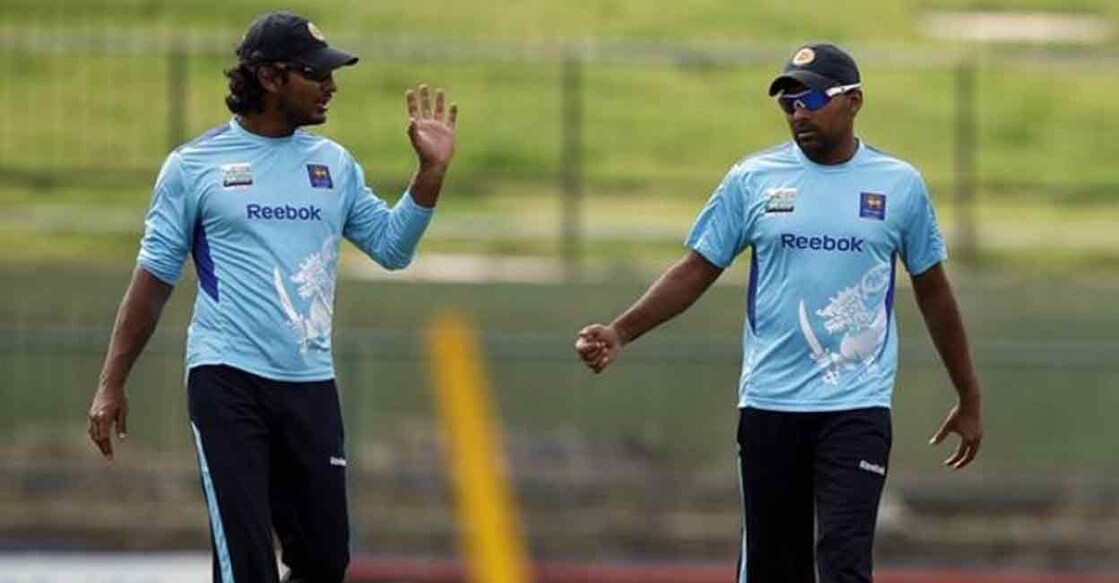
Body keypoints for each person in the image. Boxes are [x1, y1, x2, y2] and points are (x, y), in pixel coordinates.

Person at [574, 43, 982, 582]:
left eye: (810, 100)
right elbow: (696, 269)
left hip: (856, 405)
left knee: (844, 562)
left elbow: (934, 292)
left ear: (854, 101)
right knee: (773, 567)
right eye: (787, 103)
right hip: (771, 403)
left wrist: (968, 395)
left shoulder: (899, 185)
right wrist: (621, 331)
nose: (797, 113)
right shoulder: (754, 179)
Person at [86, 11, 458, 583]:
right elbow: (153, 279)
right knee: (247, 564)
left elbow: (392, 248)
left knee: (325, 561)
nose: (330, 85)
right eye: (315, 73)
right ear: (268, 77)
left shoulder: (333, 165)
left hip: (310, 384)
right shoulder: (193, 166)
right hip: (227, 380)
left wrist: (429, 174)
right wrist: (112, 382)